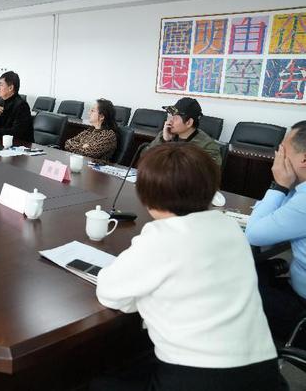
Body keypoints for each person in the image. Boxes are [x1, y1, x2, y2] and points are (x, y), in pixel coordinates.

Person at [92, 144, 283, 391]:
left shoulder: (161, 238)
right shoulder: (230, 228)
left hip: (200, 379)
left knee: (99, 384)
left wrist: (142, 299)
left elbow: (109, 292)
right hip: (265, 374)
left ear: (146, 195)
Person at [246, 121, 306, 344]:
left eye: (283, 150)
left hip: (302, 310)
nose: (278, 156)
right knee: (250, 270)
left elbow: (254, 234)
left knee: (234, 286)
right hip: (296, 285)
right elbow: (277, 216)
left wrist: (279, 186)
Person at [146, 97, 222, 166]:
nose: (169, 122)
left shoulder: (207, 147)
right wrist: (164, 141)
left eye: (175, 118)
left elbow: (208, 173)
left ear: (189, 122)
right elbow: (145, 157)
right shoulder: (165, 135)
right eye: (170, 117)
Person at [0, 71, 33, 142]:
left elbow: (17, 132)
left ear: (10, 88)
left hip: (20, 144)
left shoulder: (21, 105)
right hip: (1, 142)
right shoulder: (0, 102)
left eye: (1, 85)